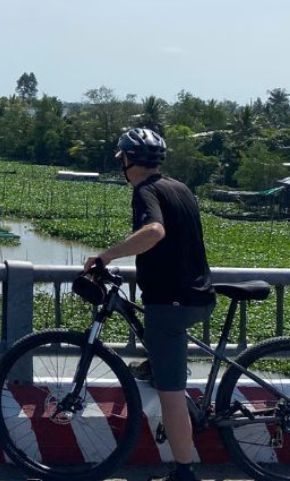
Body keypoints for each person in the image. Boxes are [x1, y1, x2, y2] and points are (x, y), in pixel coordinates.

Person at [84, 127, 215, 481]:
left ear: (127, 161)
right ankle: (157, 365)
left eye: (122, 159)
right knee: (161, 354)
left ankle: (184, 472)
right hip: (198, 295)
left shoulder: (146, 192)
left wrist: (107, 256)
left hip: (171, 304)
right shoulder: (180, 188)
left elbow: (155, 231)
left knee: (171, 393)